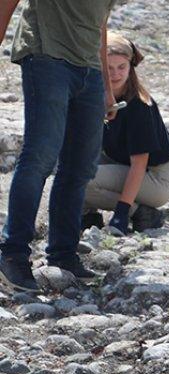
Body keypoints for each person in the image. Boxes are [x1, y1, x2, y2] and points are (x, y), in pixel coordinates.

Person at [1, 0, 117, 291]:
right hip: (47, 58)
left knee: (80, 167)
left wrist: (105, 87)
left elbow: (100, 24)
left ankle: (63, 255)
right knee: (40, 157)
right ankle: (12, 254)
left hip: (89, 70)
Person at [82, 32, 169, 235]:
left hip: (154, 178)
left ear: (130, 68)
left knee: (82, 179)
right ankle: (88, 216)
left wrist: (123, 211)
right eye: (109, 68)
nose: (116, 74)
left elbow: (139, 164)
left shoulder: (140, 105)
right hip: (122, 164)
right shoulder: (97, 96)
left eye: (122, 67)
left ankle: (140, 212)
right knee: (70, 168)